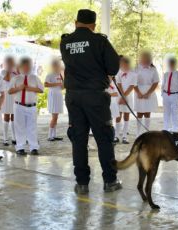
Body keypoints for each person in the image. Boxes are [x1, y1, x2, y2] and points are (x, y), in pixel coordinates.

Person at [60, 9, 122, 194]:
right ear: (93, 25)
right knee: (104, 139)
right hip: (95, 96)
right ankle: (110, 181)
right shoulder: (99, 40)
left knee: (78, 140)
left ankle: (82, 183)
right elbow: (113, 67)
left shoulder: (65, 42)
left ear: (75, 21)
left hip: (73, 97)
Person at [9, 57, 43, 155]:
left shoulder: (34, 77)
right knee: (19, 127)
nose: (26, 68)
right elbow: (10, 91)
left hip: (31, 106)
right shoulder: (16, 78)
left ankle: (34, 148)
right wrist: (19, 88)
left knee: (32, 127)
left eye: (28, 66)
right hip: (19, 105)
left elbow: (41, 89)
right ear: (20, 67)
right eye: (24, 66)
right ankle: (20, 147)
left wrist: (30, 88)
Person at [134, 51, 159, 136]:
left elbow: (155, 82)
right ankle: (138, 133)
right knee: (139, 112)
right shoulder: (136, 68)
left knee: (147, 113)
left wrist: (148, 93)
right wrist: (138, 92)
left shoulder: (153, 69)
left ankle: (147, 131)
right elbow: (133, 82)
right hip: (139, 91)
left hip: (149, 92)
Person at [114, 56, 137, 144]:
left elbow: (132, 86)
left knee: (126, 116)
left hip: (128, 97)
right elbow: (119, 84)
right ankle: (116, 135)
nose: (122, 66)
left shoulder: (134, 74)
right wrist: (122, 97)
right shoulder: (118, 73)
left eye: (123, 64)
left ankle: (124, 136)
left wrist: (124, 97)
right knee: (118, 116)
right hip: (119, 97)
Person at [161, 57, 178, 132]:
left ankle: (175, 128)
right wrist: (162, 93)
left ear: (175, 64)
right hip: (166, 94)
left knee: (175, 112)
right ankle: (166, 128)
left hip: (175, 95)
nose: (171, 65)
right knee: (166, 112)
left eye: (173, 64)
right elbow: (163, 84)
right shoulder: (166, 74)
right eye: (170, 64)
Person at [44, 59, 64, 142]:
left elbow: (62, 87)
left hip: (59, 95)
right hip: (53, 95)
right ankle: (50, 135)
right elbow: (45, 84)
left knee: (56, 117)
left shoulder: (60, 74)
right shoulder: (50, 75)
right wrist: (58, 84)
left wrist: (64, 84)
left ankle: (54, 135)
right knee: (54, 116)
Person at [1, 56, 18, 146]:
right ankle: (5, 138)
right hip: (6, 96)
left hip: (14, 96)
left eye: (12, 62)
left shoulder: (15, 73)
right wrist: (8, 70)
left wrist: (16, 69)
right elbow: (6, 79)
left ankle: (14, 137)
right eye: (9, 63)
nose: (11, 64)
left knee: (14, 117)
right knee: (6, 116)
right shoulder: (3, 72)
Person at [107, 78, 120, 143]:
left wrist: (107, 94)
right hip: (105, 104)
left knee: (112, 121)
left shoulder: (114, 84)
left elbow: (116, 94)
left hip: (113, 104)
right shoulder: (102, 83)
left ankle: (113, 136)